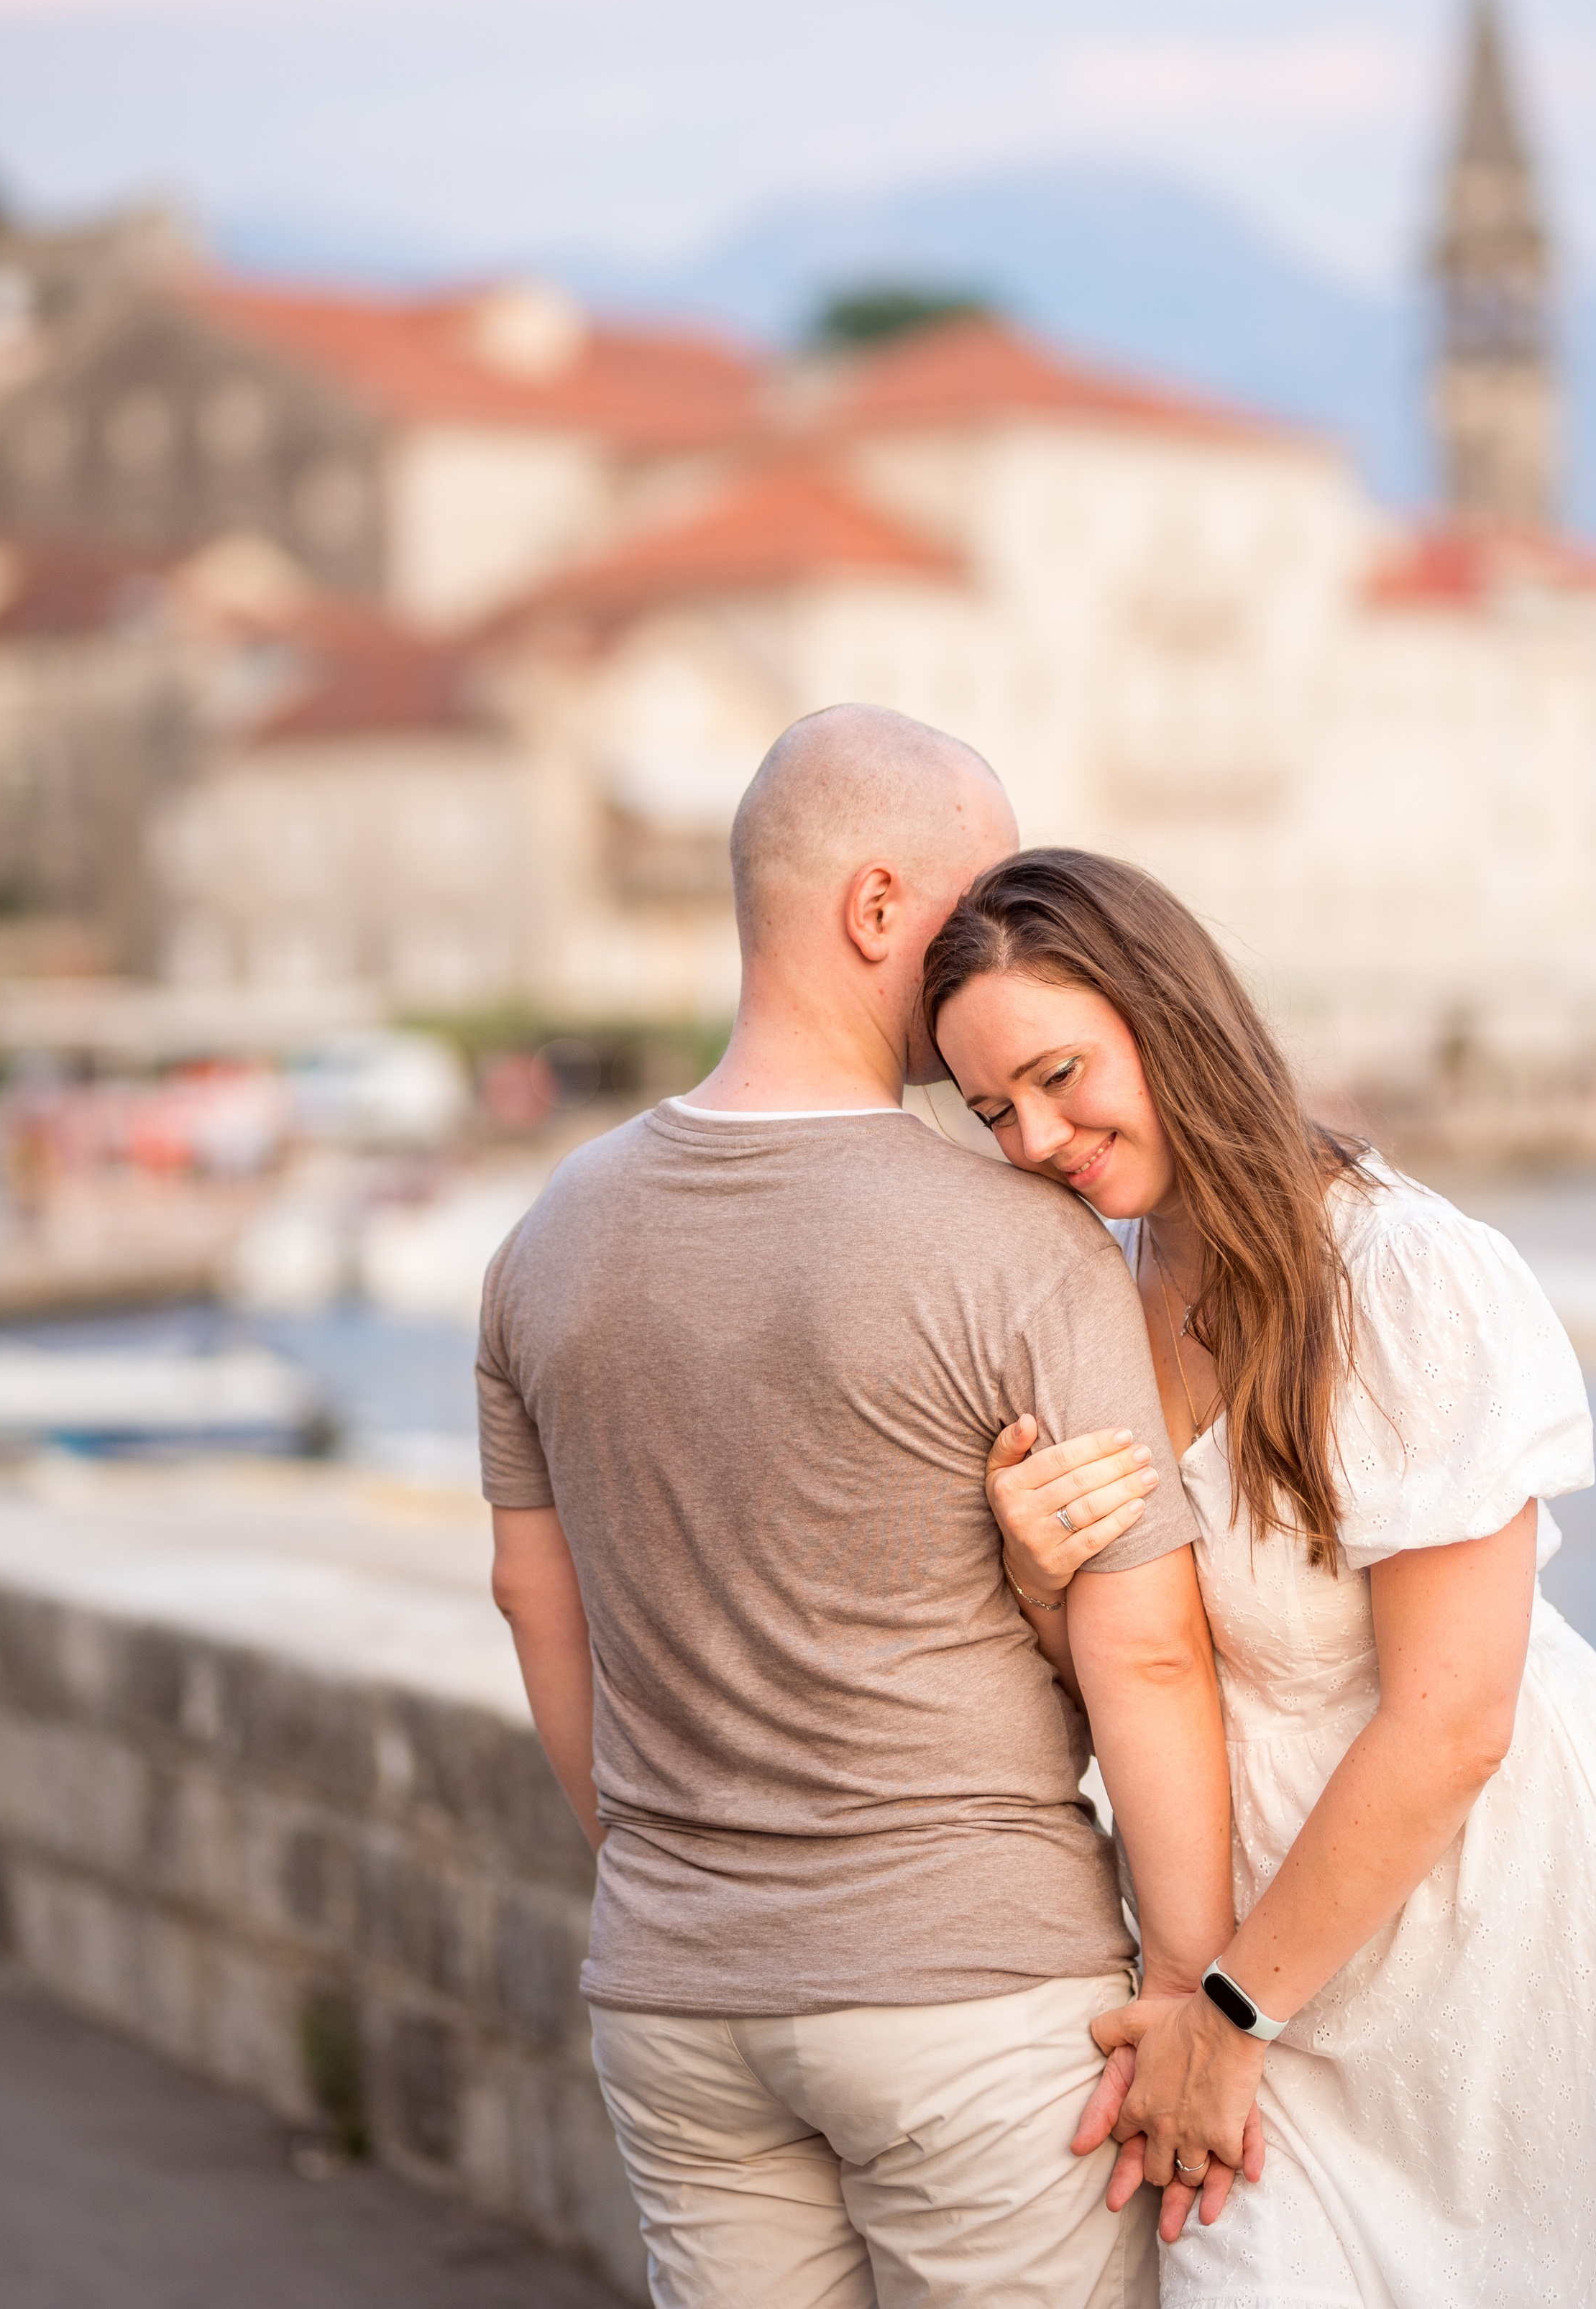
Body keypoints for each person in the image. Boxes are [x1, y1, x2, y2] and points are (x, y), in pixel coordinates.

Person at [925, 844, 1596, 2308]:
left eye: (1060, 1075)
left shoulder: (1403, 1276)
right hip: (1245, 1936)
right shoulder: (1097, 1300)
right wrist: (1034, 1568)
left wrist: (1228, 2011)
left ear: (1166, 1015)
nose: (1035, 1137)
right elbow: (1151, 1665)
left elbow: (1453, 1721)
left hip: (1490, 1922)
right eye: (994, 1109)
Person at [476, 709, 1242, 2309]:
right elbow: (1146, 1654)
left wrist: (669, 1878)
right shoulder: (1016, 1242)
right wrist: (1187, 1989)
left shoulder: (545, 1237)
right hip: (969, 1996)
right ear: (878, 912)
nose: (995, 945)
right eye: (972, 906)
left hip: (676, 2000)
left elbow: (532, 1603)